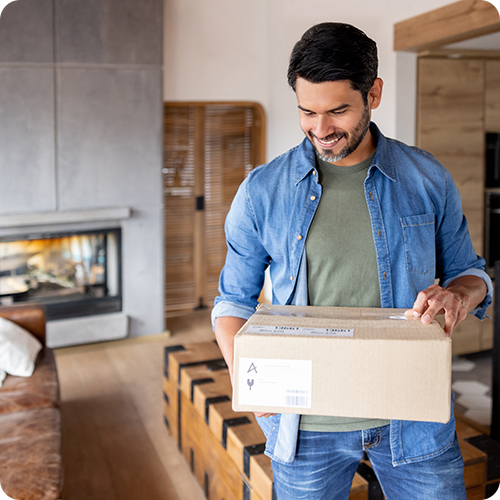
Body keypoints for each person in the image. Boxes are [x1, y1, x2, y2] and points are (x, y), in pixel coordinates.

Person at [212, 22, 493, 500]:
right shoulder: (262, 191)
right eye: (307, 112)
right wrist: (255, 388)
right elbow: (232, 300)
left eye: (338, 110)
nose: (321, 130)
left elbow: (474, 272)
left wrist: (458, 294)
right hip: (306, 427)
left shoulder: (427, 177)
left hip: (413, 416)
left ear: (373, 93)